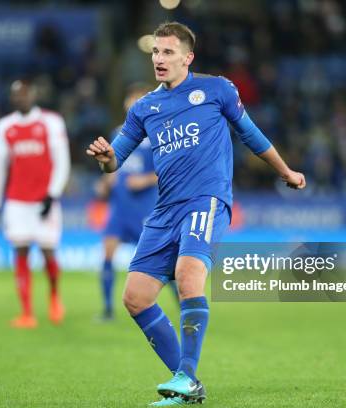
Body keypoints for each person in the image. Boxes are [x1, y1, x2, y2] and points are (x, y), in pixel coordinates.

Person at [86, 22, 305, 406]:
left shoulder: (217, 89)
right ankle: (187, 381)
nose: (159, 58)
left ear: (188, 58)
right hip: (164, 209)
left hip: (205, 200)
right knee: (135, 297)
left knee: (189, 276)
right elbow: (115, 160)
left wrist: (285, 171)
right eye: (155, 51)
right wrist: (106, 160)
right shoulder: (143, 108)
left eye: (168, 52)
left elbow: (250, 134)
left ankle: (186, 376)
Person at [0, 79, 71, 329]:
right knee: (20, 252)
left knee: (48, 253)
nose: (20, 99)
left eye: (24, 94)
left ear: (32, 94)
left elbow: (62, 161)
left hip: (43, 199)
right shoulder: (5, 126)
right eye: (16, 95)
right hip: (16, 202)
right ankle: (27, 313)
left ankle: (55, 298)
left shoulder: (51, 122)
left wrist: (52, 194)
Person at [95, 83, 159, 320]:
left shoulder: (158, 134)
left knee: (159, 262)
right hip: (120, 206)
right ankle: (108, 309)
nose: (132, 102)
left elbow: (168, 169)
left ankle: (183, 302)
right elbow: (112, 164)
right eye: (130, 97)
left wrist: (145, 179)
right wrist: (106, 180)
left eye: (138, 98)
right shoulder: (117, 133)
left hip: (144, 207)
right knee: (108, 252)